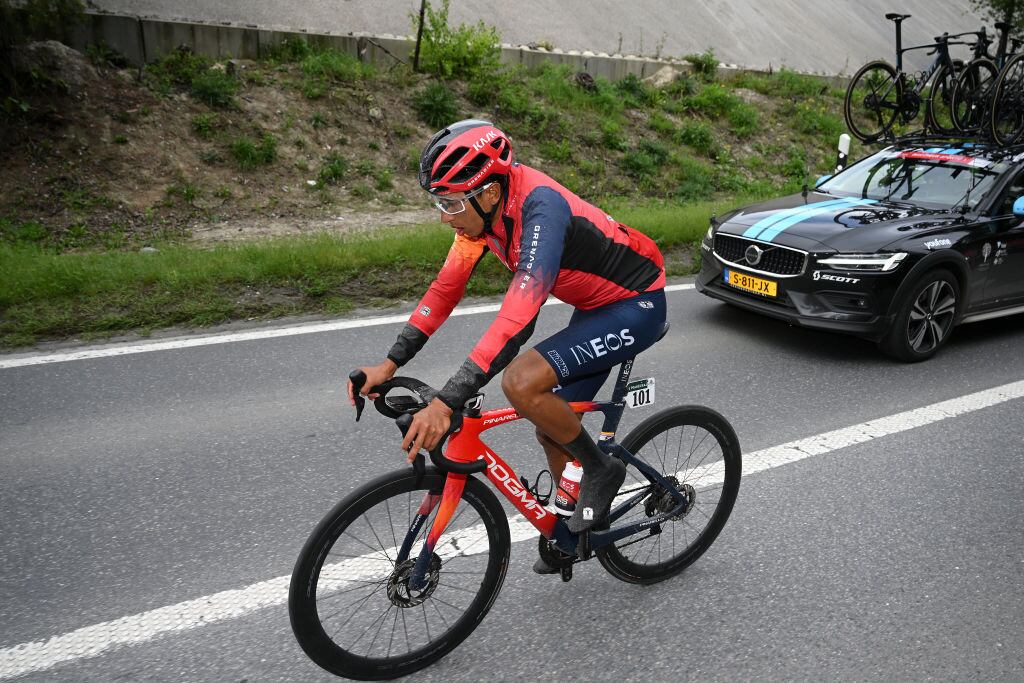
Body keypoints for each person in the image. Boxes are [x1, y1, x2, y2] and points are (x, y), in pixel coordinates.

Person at [348, 119, 667, 573]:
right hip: (595, 306)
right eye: (440, 202)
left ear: (490, 193)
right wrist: (389, 362)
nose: (444, 215)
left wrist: (447, 401)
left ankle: (602, 470)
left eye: (451, 202)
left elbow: (518, 319)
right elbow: (444, 290)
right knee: (550, 421)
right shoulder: (478, 220)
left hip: (637, 302)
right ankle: (573, 521)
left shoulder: (541, 212)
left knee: (522, 384)